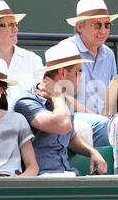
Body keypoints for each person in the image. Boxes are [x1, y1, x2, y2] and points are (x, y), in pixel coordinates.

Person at [14, 41, 107, 176]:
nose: (81, 79)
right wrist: (56, 95)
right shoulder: (26, 101)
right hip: (39, 181)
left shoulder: (63, 101)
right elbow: (62, 125)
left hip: (65, 176)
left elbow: (71, 136)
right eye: (78, 72)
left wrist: (92, 151)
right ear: (62, 73)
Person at [63, 0, 118, 147]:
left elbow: (112, 94)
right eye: (97, 25)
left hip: (101, 118)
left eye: (107, 25)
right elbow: (63, 96)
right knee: (104, 124)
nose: (103, 31)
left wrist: (110, 115)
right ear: (79, 26)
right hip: (71, 116)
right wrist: (98, 116)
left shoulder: (109, 54)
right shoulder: (67, 50)